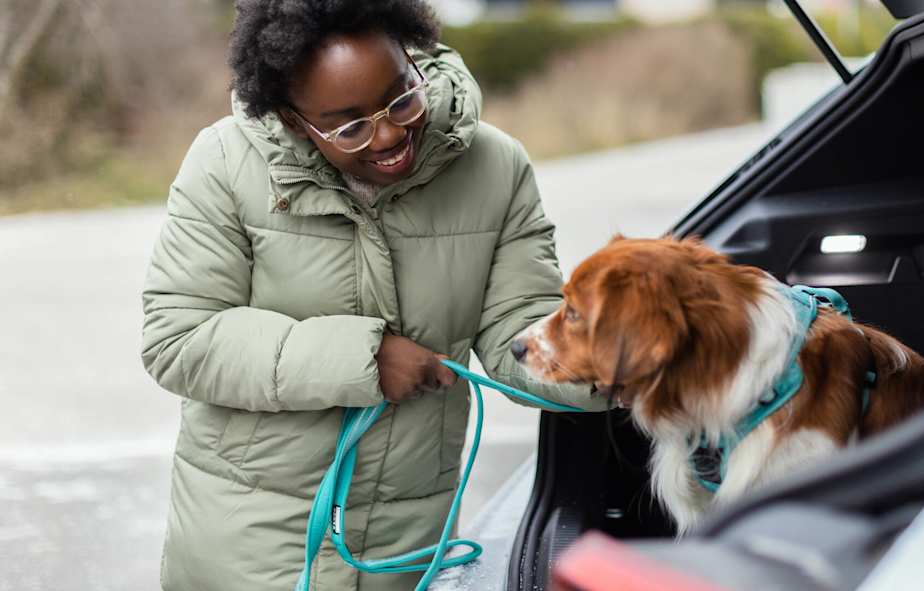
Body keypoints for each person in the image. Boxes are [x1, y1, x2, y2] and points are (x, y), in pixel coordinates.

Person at [139, 1, 607, 589]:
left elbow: (520, 324)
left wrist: (612, 366)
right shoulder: (225, 163)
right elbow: (180, 337)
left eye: (401, 97)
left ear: (414, 59)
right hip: (249, 545)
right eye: (350, 125)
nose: (390, 134)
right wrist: (366, 359)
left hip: (404, 546)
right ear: (290, 118)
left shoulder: (495, 166)